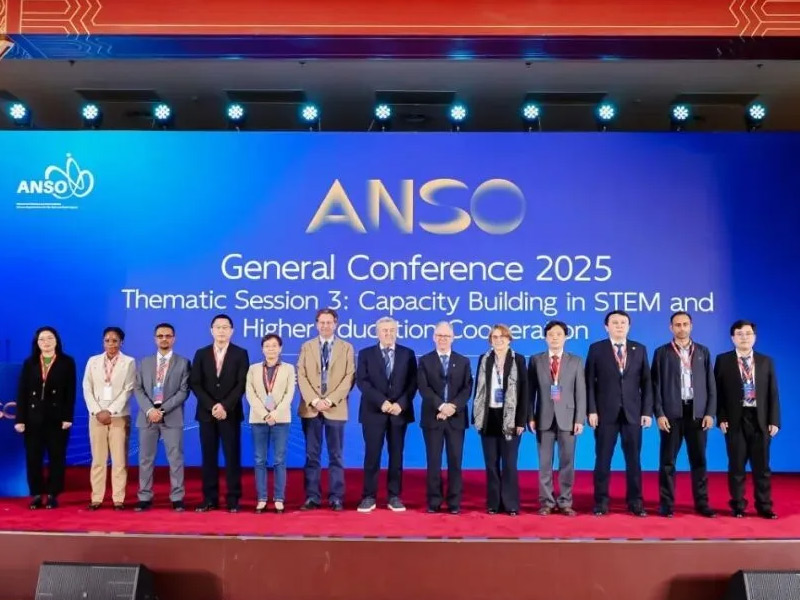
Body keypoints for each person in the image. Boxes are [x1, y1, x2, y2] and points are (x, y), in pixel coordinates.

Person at [586, 310, 652, 517]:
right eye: (615, 322)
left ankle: (635, 502)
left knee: (634, 460)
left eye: (623, 322)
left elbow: (647, 383)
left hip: (633, 413)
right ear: (606, 327)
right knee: (603, 459)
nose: (619, 326)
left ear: (629, 326)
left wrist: (646, 411)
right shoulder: (596, 349)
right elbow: (589, 383)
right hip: (605, 413)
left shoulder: (639, 349)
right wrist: (591, 410)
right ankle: (601, 502)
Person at [651, 311, 716, 518]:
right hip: (671, 414)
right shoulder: (662, 352)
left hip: (697, 414)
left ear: (691, 326)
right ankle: (667, 504)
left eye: (685, 324)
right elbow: (655, 386)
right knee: (667, 462)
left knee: (699, 461)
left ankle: (702, 504)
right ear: (671, 328)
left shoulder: (703, 351)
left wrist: (710, 412)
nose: (682, 328)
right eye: (677, 325)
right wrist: (659, 414)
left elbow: (711, 385)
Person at [715, 319, 780, 519]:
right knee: (736, 466)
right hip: (735, 419)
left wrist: (774, 420)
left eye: (748, 334)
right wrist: (721, 418)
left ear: (755, 337)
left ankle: (764, 506)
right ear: (732, 338)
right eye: (740, 334)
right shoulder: (723, 360)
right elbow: (717, 393)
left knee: (762, 467)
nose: (744, 337)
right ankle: (738, 505)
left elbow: (773, 393)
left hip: (760, 419)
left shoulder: (765, 361)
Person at [356, 316, 418, 513]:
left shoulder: (408, 354)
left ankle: (394, 496)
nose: (388, 334)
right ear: (377, 332)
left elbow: (413, 382)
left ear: (396, 332)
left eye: (392, 330)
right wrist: (381, 401)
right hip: (374, 412)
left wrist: (401, 404)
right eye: (385, 330)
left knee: (396, 456)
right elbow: (362, 381)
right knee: (372, 455)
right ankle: (368, 497)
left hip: (399, 413)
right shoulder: (365, 354)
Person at [296, 308, 355, 511]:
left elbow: (349, 377)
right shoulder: (307, 346)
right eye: (322, 322)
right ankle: (312, 497)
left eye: (329, 322)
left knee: (335, 456)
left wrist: (330, 400)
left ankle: (336, 497)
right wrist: (314, 400)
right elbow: (301, 375)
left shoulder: (346, 347)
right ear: (316, 324)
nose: (325, 326)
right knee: (311, 455)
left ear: (336, 324)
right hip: (311, 409)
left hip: (335, 408)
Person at [190, 314, 249, 513]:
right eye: (218, 327)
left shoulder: (240, 354)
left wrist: (224, 406)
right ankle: (209, 498)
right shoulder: (201, 353)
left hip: (230, 413)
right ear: (211, 330)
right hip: (207, 414)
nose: (221, 331)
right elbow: (195, 383)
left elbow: (241, 383)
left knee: (232, 456)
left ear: (232, 331)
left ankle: (233, 498)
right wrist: (212, 406)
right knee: (209, 457)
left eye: (225, 327)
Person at [528, 320, 586, 516]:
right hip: (543, 417)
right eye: (551, 334)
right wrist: (530, 416)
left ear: (565, 337)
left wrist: (579, 419)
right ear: (545, 337)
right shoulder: (536, 360)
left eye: (559, 334)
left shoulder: (576, 361)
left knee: (567, 463)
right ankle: (546, 502)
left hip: (568, 419)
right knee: (544, 464)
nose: (554, 338)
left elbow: (581, 393)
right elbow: (530, 391)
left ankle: (565, 502)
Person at [14, 326, 76, 509]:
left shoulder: (67, 362)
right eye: (42, 339)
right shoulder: (30, 363)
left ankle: (52, 494)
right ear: (37, 343)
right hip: (33, 418)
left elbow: (70, 392)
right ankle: (35, 494)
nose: (46, 342)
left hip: (57, 418)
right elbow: (22, 392)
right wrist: (20, 419)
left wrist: (67, 417)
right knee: (33, 457)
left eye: (50, 338)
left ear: (57, 341)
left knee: (57, 457)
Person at [133, 323, 191, 512]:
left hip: (172, 416)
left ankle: (177, 497)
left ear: (174, 338)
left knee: (175, 458)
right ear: (155, 339)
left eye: (168, 336)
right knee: (145, 459)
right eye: (160, 336)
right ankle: (144, 496)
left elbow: (184, 391)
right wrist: (150, 410)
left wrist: (162, 409)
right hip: (147, 417)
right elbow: (138, 388)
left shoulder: (183, 363)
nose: (164, 339)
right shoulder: (144, 362)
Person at [417, 321, 473, 514]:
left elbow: (467, 388)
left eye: (446, 336)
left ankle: (454, 502)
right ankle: (434, 501)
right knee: (433, 462)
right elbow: (423, 387)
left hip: (456, 419)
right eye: (439, 335)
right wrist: (441, 406)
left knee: (455, 462)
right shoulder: (425, 361)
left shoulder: (463, 361)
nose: (443, 339)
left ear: (453, 338)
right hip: (433, 418)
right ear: (434, 337)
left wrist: (452, 407)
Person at [473, 324, 527, 516]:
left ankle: (511, 504)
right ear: (490, 340)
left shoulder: (518, 359)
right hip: (489, 417)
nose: (498, 340)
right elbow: (478, 390)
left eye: (502, 336)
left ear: (509, 339)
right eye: (495, 337)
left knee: (509, 464)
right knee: (491, 464)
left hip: (511, 419)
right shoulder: (484, 359)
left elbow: (524, 391)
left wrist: (521, 421)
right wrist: (476, 417)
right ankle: (494, 503)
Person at [82, 326, 136, 510]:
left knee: (119, 460)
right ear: (103, 342)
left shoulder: (129, 362)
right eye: (107, 340)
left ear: (121, 342)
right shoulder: (93, 361)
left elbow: (128, 389)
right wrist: (97, 411)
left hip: (119, 416)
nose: (111, 344)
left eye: (115, 341)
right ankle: (96, 498)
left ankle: (118, 499)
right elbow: (87, 387)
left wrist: (110, 411)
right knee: (98, 459)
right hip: (96, 416)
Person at [245, 334, 295, 514]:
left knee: (279, 460)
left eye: (274, 345)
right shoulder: (253, 369)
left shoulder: (289, 368)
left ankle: (279, 498)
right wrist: (265, 414)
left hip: (281, 419)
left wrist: (275, 413)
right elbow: (250, 394)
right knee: (260, 459)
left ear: (280, 348)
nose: (271, 349)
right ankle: (262, 498)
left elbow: (289, 394)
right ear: (262, 349)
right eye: (267, 346)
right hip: (259, 419)